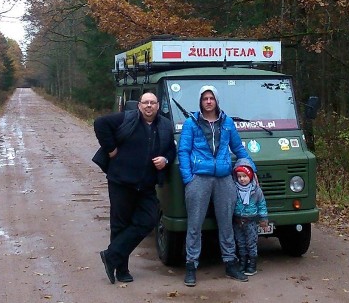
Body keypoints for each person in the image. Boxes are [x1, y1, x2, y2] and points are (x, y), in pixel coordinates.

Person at [94, 91, 175, 284]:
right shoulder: (127, 118)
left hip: (146, 184)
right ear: (139, 105)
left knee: (149, 219)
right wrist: (111, 149)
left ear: (158, 106)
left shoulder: (165, 125)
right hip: (121, 181)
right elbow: (100, 124)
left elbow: (171, 148)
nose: (149, 106)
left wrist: (165, 159)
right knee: (120, 224)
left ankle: (111, 255)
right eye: (145, 103)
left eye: (152, 103)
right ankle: (121, 270)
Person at [178, 85, 255, 286]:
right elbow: (183, 151)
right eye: (205, 98)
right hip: (199, 178)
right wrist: (188, 178)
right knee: (195, 224)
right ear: (200, 102)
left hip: (223, 178)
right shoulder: (191, 123)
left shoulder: (227, 123)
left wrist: (250, 169)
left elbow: (238, 149)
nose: (209, 102)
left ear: (217, 101)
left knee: (226, 223)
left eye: (212, 98)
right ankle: (191, 265)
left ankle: (230, 263)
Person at [232, 159, 268, 276]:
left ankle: (252, 265)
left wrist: (263, 219)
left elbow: (262, 205)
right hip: (237, 221)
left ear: (251, 176)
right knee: (241, 243)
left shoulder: (256, 191)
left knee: (251, 243)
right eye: (239, 176)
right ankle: (242, 263)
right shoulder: (234, 189)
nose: (242, 179)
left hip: (250, 221)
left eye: (245, 176)